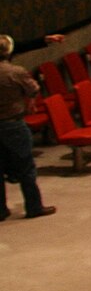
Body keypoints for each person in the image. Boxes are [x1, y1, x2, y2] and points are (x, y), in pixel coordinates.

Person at [0, 33, 57, 218]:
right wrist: (30, 101)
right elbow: (33, 89)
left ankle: (1, 210)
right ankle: (34, 207)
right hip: (13, 124)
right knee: (26, 168)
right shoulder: (16, 72)